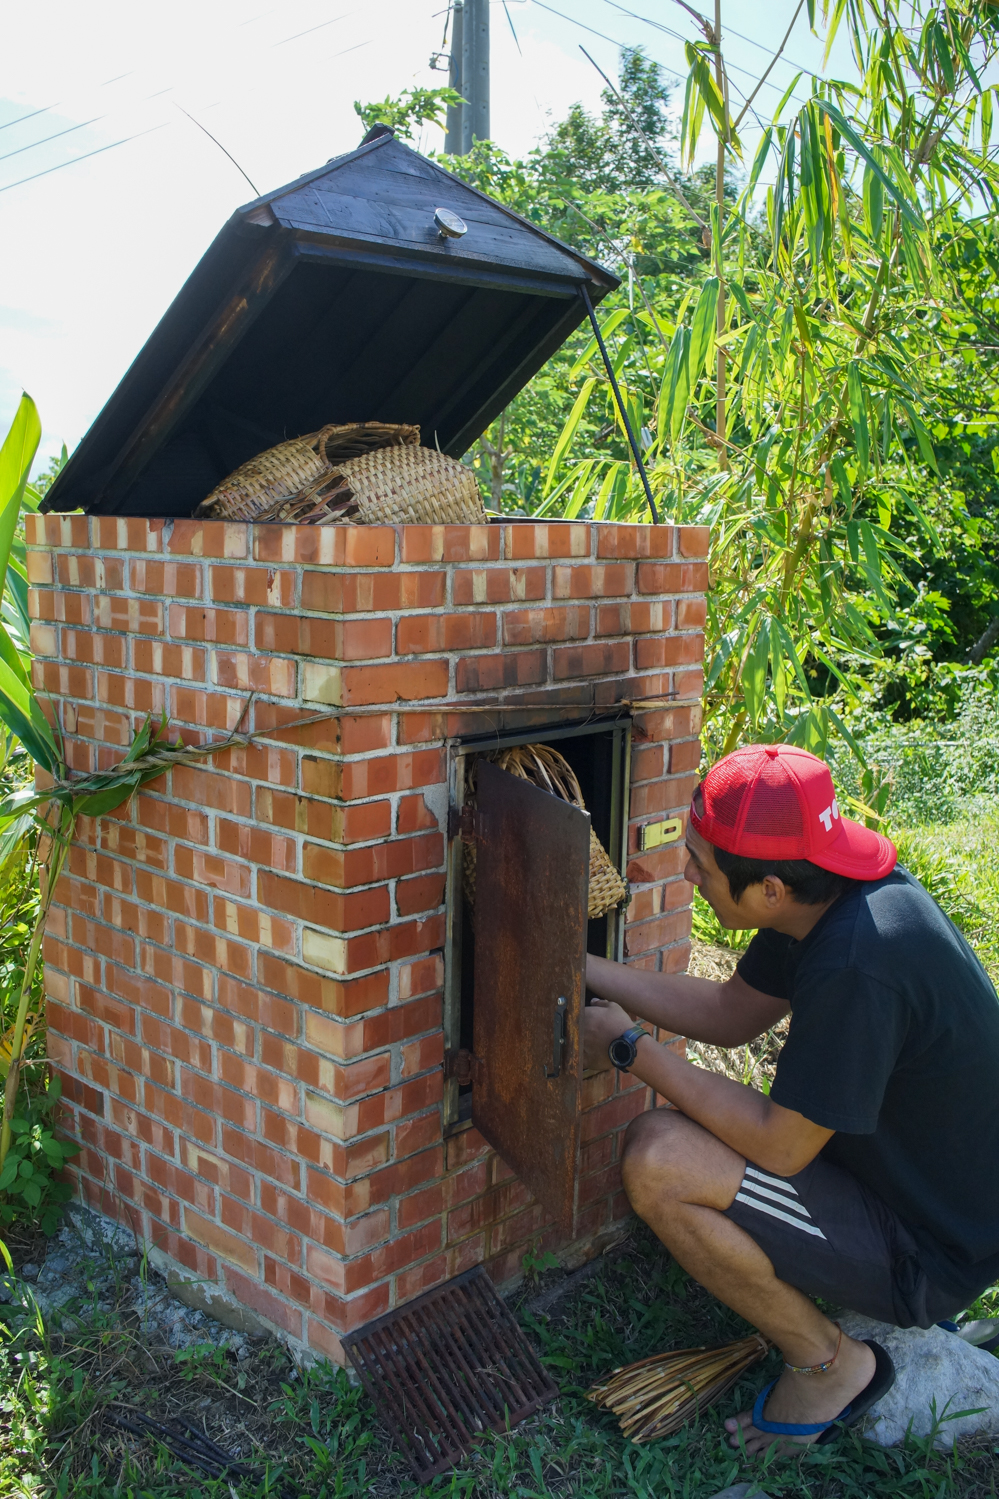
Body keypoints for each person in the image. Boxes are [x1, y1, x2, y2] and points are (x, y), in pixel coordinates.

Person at [583, 742, 999, 1453]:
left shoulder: (855, 965)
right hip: (919, 1193)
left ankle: (830, 1365)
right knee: (683, 1140)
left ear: (769, 888)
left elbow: (780, 1143)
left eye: (701, 866)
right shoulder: (830, 895)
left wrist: (631, 1049)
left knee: (661, 1159)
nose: (687, 873)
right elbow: (729, 1011)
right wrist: (584, 966)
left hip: (929, 1250)